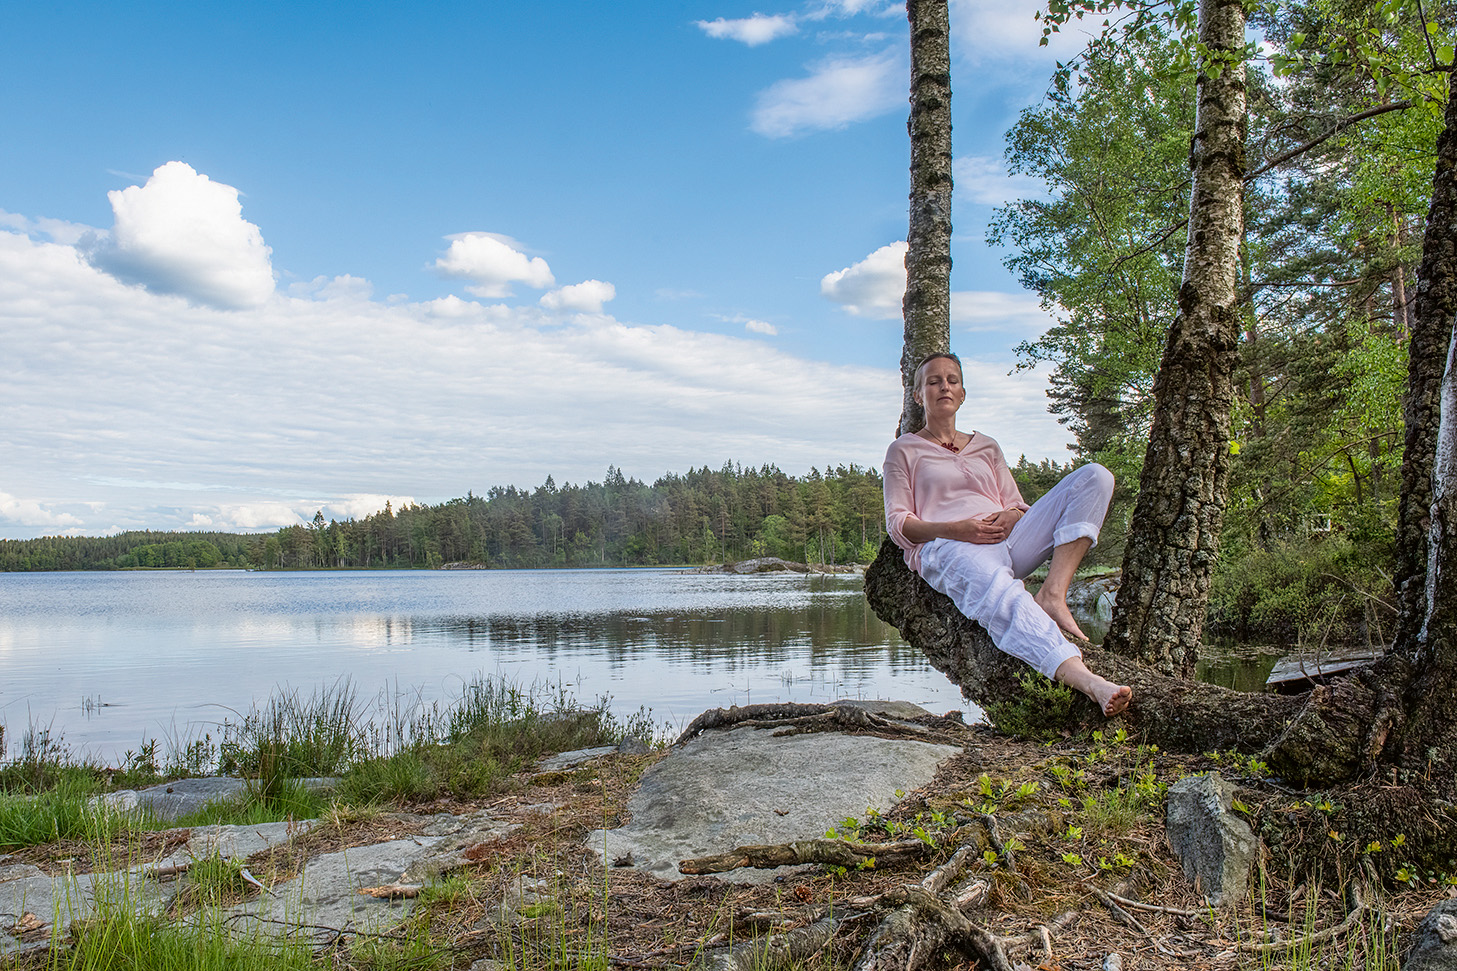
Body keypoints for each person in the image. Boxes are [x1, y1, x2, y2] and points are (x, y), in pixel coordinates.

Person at [883, 352, 1132, 716]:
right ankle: (1087, 680)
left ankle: (1053, 593)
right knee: (1004, 597)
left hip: (1007, 538)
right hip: (949, 546)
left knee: (1096, 477)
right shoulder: (903, 450)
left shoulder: (987, 446)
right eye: (933, 381)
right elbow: (899, 525)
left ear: (963, 393)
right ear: (919, 395)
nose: (944, 387)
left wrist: (1011, 515)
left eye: (952, 380)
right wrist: (958, 529)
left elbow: (1019, 505)